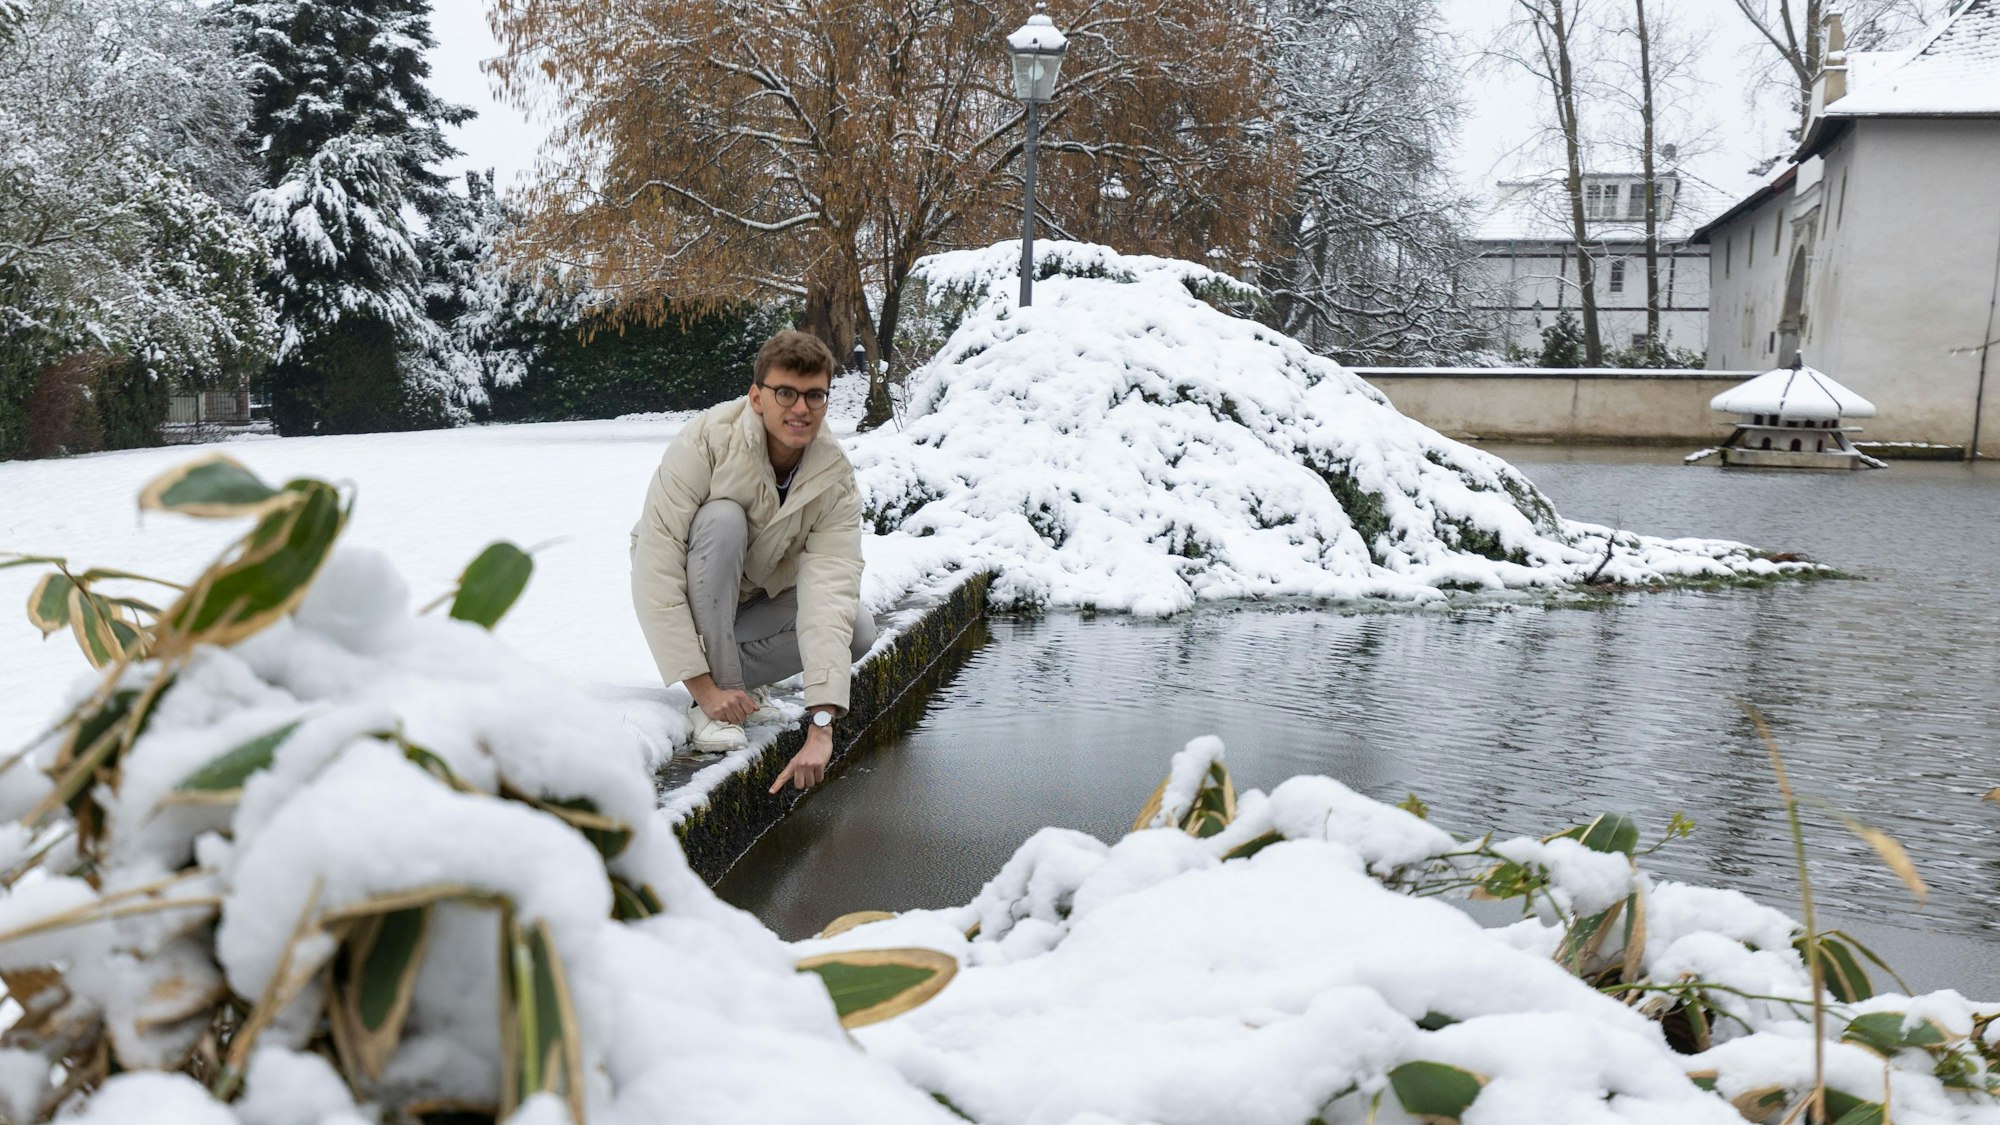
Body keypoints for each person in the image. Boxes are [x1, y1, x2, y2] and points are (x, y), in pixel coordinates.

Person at [630, 330, 875, 791]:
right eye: (785, 393)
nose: (800, 409)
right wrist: (704, 688)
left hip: (757, 599)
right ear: (757, 397)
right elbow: (655, 566)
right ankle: (714, 704)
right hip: (691, 595)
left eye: (814, 396)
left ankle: (733, 685)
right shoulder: (706, 440)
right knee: (723, 519)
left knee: (857, 628)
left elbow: (829, 592)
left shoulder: (833, 478)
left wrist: (822, 723)